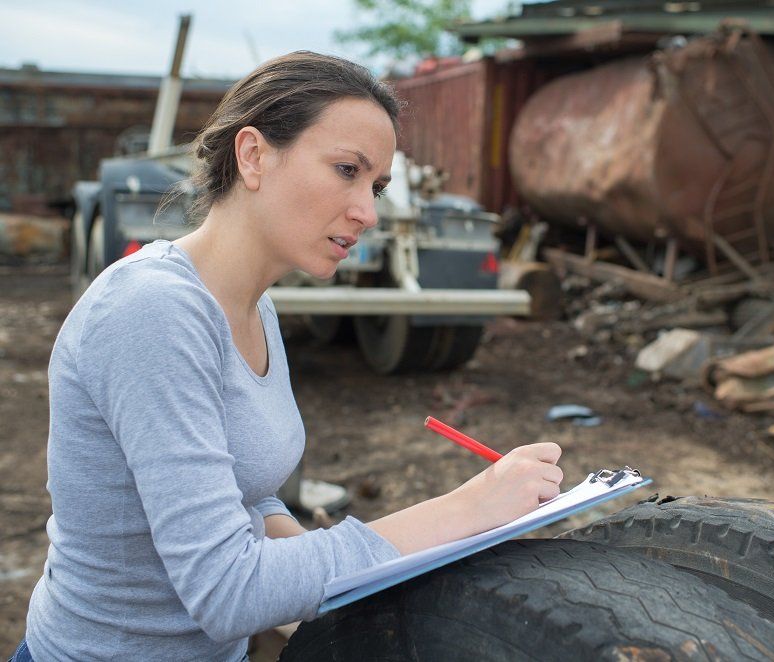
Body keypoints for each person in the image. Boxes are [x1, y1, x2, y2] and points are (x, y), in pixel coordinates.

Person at [15, 51, 563, 662]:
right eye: (346, 170)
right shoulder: (152, 312)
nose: (368, 211)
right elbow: (228, 593)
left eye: (376, 185)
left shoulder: (255, 307)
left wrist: (322, 578)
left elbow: (248, 495)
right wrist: (468, 507)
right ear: (253, 156)